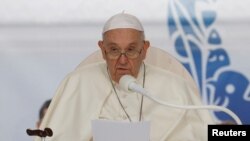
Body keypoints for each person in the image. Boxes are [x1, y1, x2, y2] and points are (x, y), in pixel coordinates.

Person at [35, 12, 216, 141]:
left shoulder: (175, 86)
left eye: (131, 50)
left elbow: (202, 133)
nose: (122, 60)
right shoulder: (76, 83)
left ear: (144, 49)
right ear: (103, 50)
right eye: (114, 50)